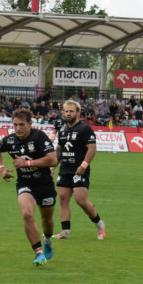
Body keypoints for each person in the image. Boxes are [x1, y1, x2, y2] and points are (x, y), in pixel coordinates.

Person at [0, 108, 58, 266]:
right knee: (27, 214)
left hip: (44, 184)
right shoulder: (10, 140)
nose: (17, 128)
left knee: (47, 221)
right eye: (15, 125)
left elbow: (53, 160)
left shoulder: (39, 137)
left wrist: (26, 163)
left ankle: (47, 240)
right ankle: (38, 253)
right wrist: (1, 169)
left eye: (21, 124)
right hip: (25, 183)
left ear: (30, 123)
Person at [52, 100, 106, 240]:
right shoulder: (62, 129)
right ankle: (66, 231)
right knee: (63, 199)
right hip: (65, 169)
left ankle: (99, 224)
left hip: (79, 169)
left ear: (78, 113)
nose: (68, 113)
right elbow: (60, 149)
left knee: (80, 200)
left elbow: (92, 148)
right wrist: (53, 166)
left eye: (71, 111)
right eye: (66, 111)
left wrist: (84, 165)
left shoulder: (84, 129)